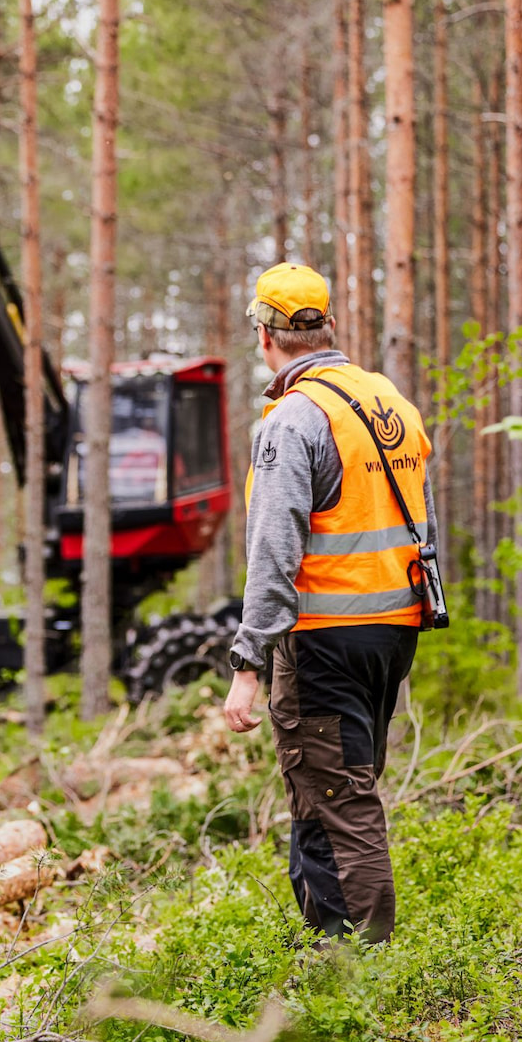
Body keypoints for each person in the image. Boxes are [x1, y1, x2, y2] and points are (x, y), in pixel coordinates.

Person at [222, 262, 436, 944]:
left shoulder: (295, 417)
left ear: (266, 335)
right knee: (328, 788)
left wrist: (247, 661)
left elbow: (274, 547)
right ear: (328, 324)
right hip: (392, 630)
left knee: (342, 802)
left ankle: (362, 974)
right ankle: (327, 946)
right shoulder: (387, 400)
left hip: (324, 637)